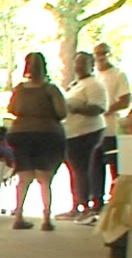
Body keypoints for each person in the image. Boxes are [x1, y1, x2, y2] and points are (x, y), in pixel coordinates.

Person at [7, 52, 67, 231]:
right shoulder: (50, 89)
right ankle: (46, 218)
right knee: (44, 177)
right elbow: (62, 112)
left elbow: (13, 108)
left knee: (24, 177)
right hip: (47, 133)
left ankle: (18, 215)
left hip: (20, 133)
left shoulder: (19, 89)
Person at [58, 52, 108, 223]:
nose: (78, 66)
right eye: (77, 62)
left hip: (87, 133)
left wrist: (74, 107)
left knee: (81, 170)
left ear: (91, 65)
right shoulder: (76, 84)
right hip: (72, 134)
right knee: (75, 170)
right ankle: (76, 205)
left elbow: (99, 108)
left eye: (83, 63)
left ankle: (85, 207)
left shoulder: (95, 85)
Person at [92, 43, 130, 213]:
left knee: (115, 168)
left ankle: (117, 204)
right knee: (94, 168)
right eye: (97, 53)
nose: (101, 56)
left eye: (104, 53)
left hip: (112, 129)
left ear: (109, 54)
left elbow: (125, 99)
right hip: (93, 130)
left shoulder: (118, 75)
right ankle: (97, 203)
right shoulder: (93, 76)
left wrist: (106, 109)